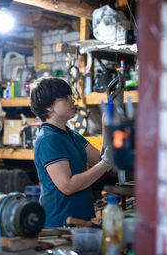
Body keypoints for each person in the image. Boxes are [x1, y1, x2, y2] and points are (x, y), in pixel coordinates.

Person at [30, 77, 114, 227]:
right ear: (49, 107)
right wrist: (105, 163)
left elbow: (98, 159)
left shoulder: (71, 134)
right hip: (60, 224)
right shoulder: (48, 139)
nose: (73, 101)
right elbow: (67, 186)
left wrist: (106, 124)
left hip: (82, 220)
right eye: (66, 98)